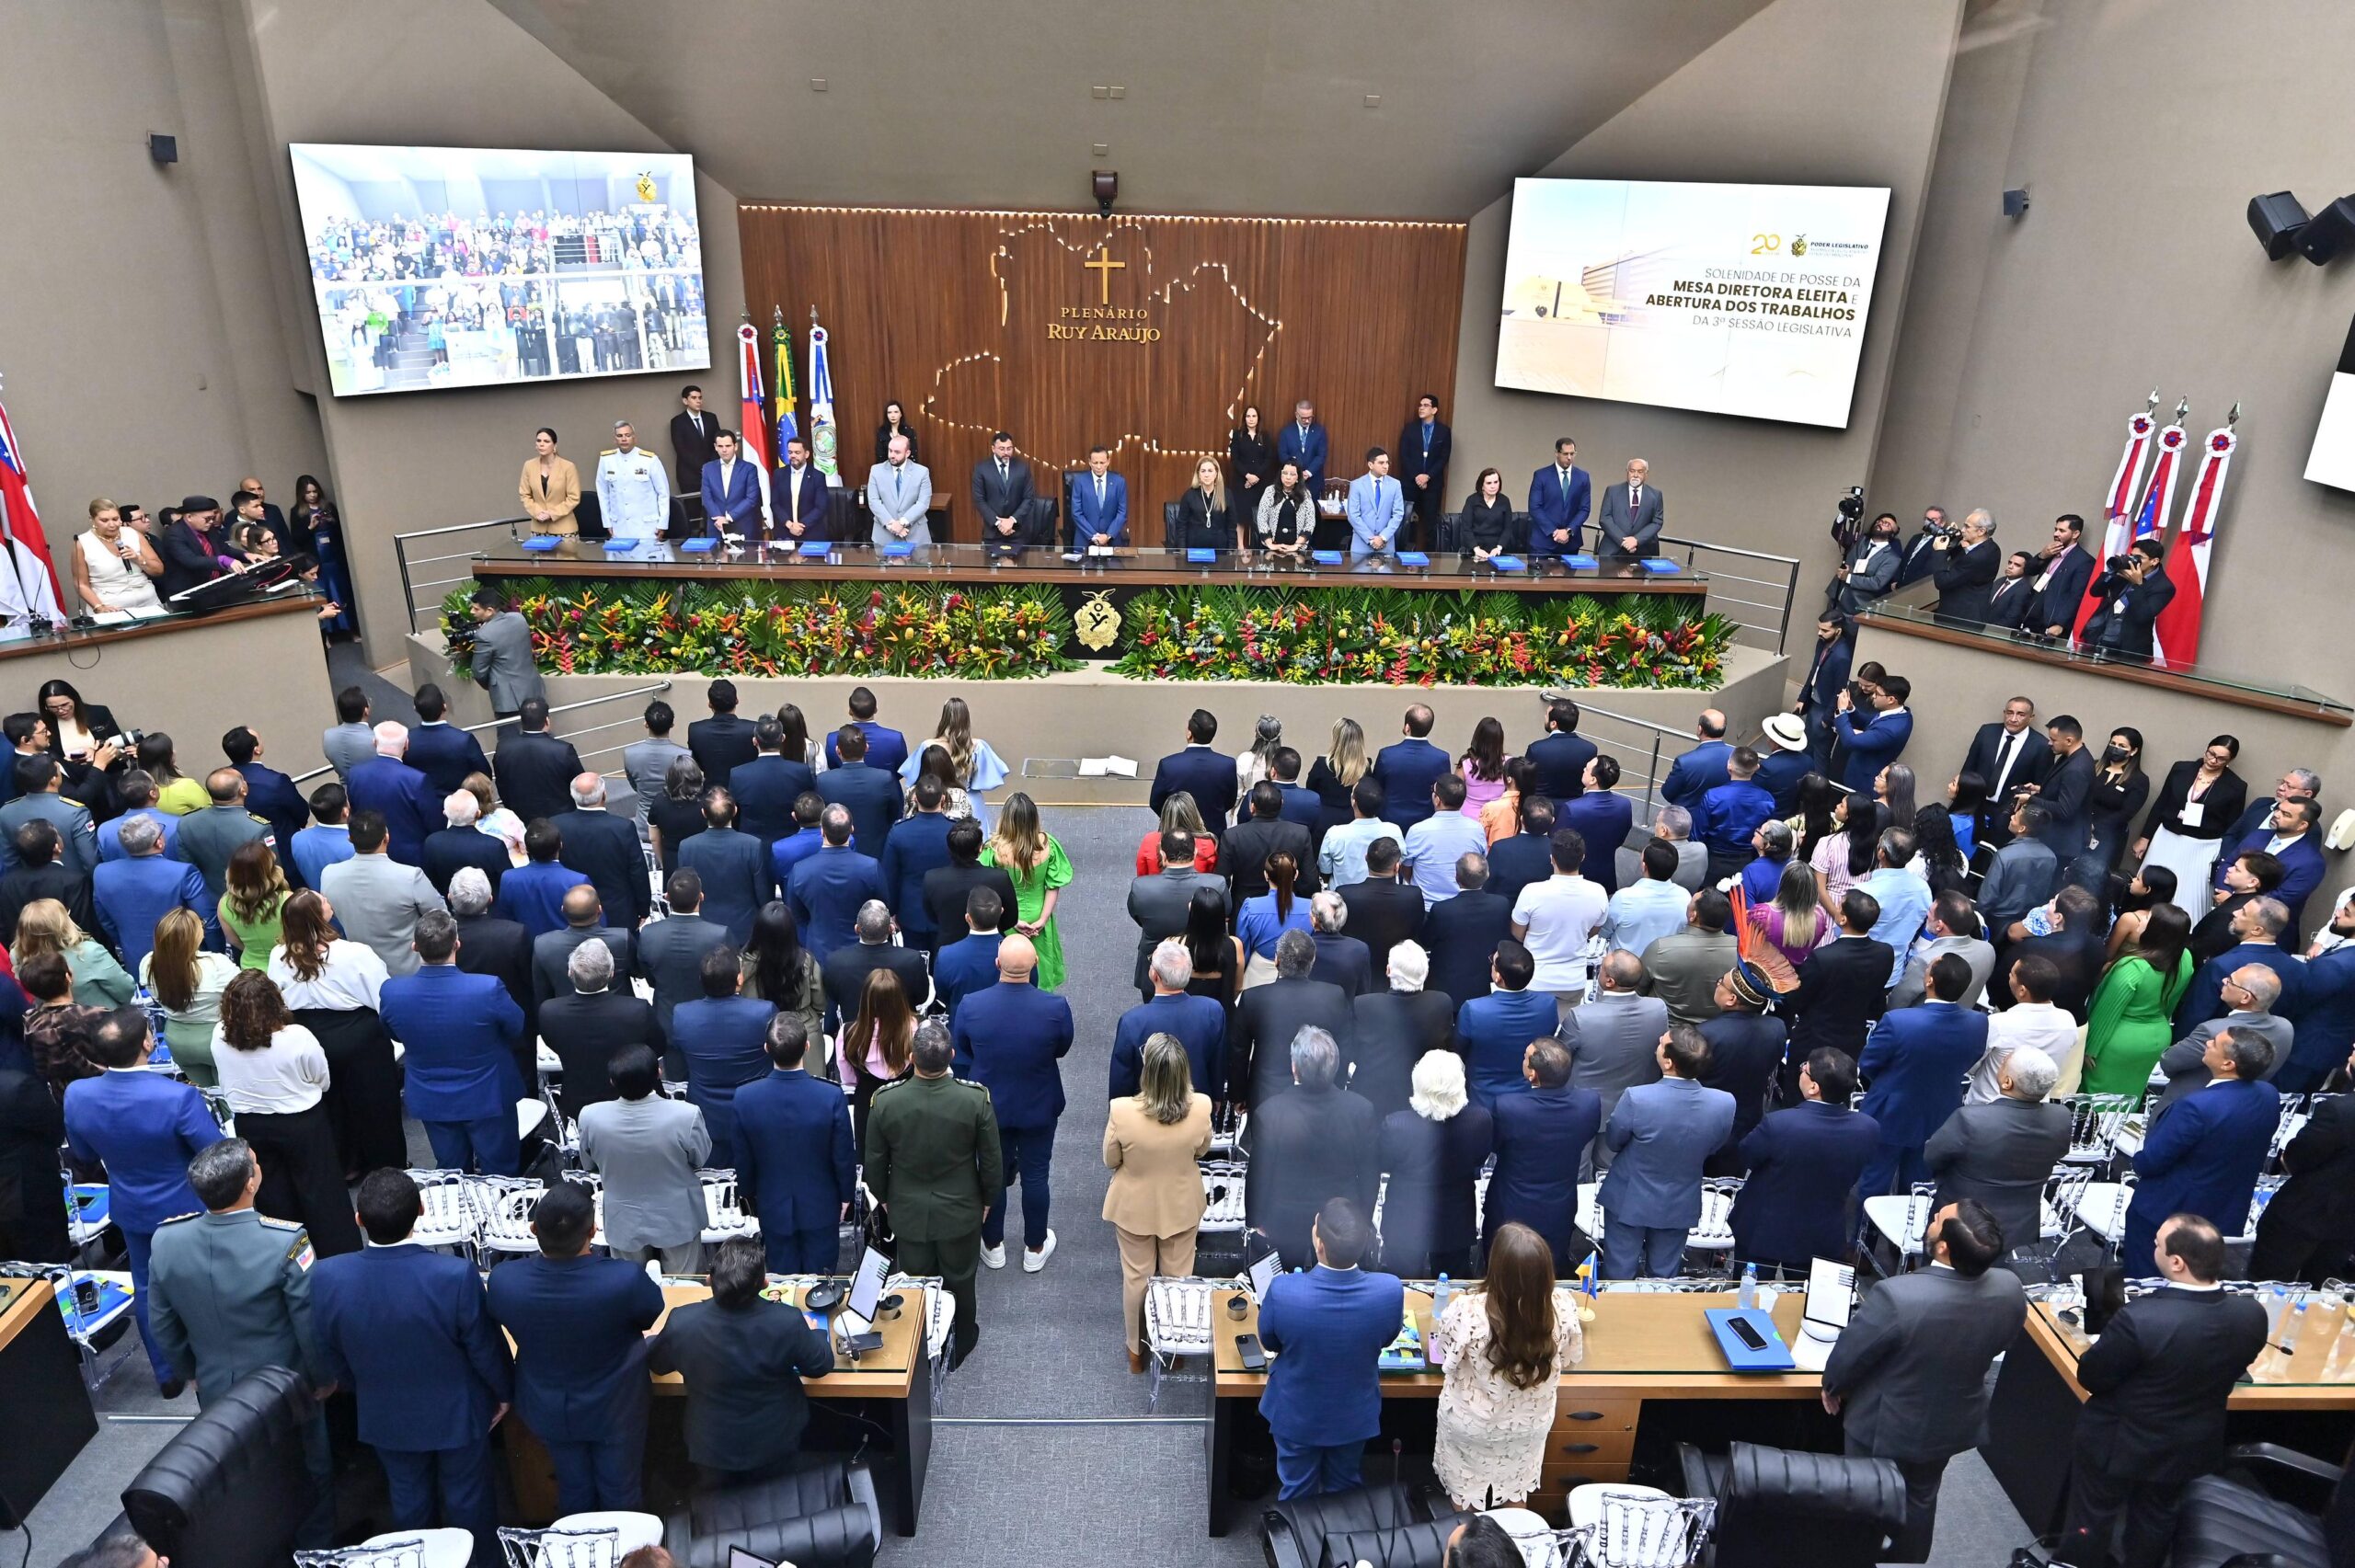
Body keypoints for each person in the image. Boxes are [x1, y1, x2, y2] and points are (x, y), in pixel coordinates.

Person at [311, 1170, 511, 1556]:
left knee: (408, 1505)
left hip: (385, 1412)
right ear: (421, 1211)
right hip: (458, 1413)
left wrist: (364, 1387)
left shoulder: (327, 1277)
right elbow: (483, 1348)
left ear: (359, 1220)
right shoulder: (454, 1275)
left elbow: (329, 1350)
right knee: (469, 1505)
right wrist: (503, 1392)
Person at [145, 1139, 332, 1544]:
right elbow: (308, 1322)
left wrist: (191, 1371)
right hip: (284, 1388)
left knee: (243, 1480)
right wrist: (323, 1378)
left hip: (215, 1387)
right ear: (251, 1183)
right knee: (310, 1470)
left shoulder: (166, 1240)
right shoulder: (286, 1241)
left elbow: (161, 1322)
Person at [1820, 1199, 2027, 1563]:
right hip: (1951, 1421)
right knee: (1922, 1495)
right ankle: (1908, 1559)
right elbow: (2003, 1341)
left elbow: (1852, 1354)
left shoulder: (1899, 1296)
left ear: (1943, 1247)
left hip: (1884, 1425)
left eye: (1938, 1219)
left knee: (1863, 1499)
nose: (1931, 1219)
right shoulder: (2010, 1288)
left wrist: (1832, 1384)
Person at [2061, 1213, 2271, 1568]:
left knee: (2091, 1519)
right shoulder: (2252, 1314)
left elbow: (2093, 1377)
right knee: (2157, 1518)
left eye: (2157, 1244)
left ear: (2176, 1262)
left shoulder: (2141, 1318)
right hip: (2189, 1443)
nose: (2151, 1247)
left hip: (2117, 1442)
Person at [62, 1009, 220, 1393]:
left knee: (149, 1291)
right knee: (207, 1286)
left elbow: (81, 1154)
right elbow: (215, 1153)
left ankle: (167, 1375)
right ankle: (214, 1366)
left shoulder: (77, 1094)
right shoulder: (178, 1097)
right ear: (148, 1043)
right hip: (189, 1209)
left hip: (132, 1208)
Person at [484, 1181, 665, 1515]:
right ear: (593, 1231)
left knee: (573, 1489)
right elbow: (651, 1312)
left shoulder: (504, 1281)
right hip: (616, 1406)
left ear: (534, 1228)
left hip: (548, 1406)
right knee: (620, 1490)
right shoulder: (623, 1279)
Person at [648, 1236, 837, 1489]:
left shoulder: (683, 1322)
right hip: (775, 1441)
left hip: (711, 1446)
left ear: (710, 1280)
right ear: (765, 1283)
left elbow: (658, 1365)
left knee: (719, 1518)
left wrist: (651, 1341)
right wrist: (815, 1332)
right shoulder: (787, 1321)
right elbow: (820, 1365)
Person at [867, 1022, 1001, 1367]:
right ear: (952, 1056)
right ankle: (961, 1342)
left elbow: (875, 1164)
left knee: (914, 1285)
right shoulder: (974, 1099)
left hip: (907, 1211)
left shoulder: (885, 1102)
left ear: (911, 1058)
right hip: (961, 1210)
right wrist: (987, 1200)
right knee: (960, 1279)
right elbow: (991, 1162)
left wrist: (884, 1198)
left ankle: (920, 1347)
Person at [1257, 1197, 1401, 1499]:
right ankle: (1340, 1544)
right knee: (1344, 1489)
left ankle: (1298, 1544)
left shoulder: (1284, 1291)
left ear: (1318, 1244)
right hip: (1354, 1415)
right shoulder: (1389, 1291)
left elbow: (1269, 1342)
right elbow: (1386, 1339)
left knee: (1296, 1489)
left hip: (1297, 1414)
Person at [1431, 1219, 1580, 1511]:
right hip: (1530, 1425)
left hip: (1473, 1425)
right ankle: (1515, 1553)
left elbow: (1444, 1357)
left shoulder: (1467, 1311)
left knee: (1467, 1501)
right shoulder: (1562, 1306)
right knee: (1516, 1497)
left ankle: (1469, 1557)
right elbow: (1570, 1359)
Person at [211, 970, 361, 1254]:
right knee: (322, 1192)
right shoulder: (296, 1037)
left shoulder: (219, 1036)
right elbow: (321, 1078)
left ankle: (289, 1255)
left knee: (272, 1197)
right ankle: (338, 1255)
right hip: (302, 1123)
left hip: (251, 1124)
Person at [952, 933, 1074, 1269]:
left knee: (992, 1174)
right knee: (1036, 1176)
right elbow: (1061, 1048)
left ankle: (993, 1245)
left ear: (997, 965)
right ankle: (1035, 1248)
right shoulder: (1056, 1007)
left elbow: (964, 1046)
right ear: (1035, 964)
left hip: (990, 1107)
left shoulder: (972, 1005)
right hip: (1039, 1105)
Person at [2120, 1028, 2280, 1265]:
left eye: (2215, 1043)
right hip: (2223, 1208)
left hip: (2169, 1212)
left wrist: (2138, 1159)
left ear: (2227, 1064)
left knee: (2146, 1278)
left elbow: (2150, 1161)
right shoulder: (2269, 1094)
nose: (2207, 1043)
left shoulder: (2195, 1107)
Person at [1102, 1032, 1213, 1371]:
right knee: (1178, 1280)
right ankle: (1174, 1348)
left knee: (1137, 1279)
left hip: (1134, 1207)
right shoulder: (1202, 1106)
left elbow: (1110, 1159)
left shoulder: (1121, 1111)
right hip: (1181, 1205)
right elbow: (1203, 1149)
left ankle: (1137, 1352)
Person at [1596, 1025, 1733, 1277]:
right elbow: (1714, 1146)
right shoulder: (1724, 1103)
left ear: (1668, 1062)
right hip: (1679, 1200)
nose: (1657, 1043)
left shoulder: (1638, 1098)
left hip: (1629, 1197)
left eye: (1661, 1043)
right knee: (1664, 1276)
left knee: (1619, 1271)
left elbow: (1614, 1141)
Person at [1728, 1048, 1877, 1274]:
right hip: (1821, 1233)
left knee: (1749, 1298)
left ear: (1814, 1087)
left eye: (1804, 1069)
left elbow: (1748, 1155)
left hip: (1763, 1228)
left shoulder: (1779, 1124)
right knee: (1803, 1301)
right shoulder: (1868, 1128)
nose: (1801, 1072)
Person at [1244, 1026, 1381, 1269]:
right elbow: (1370, 1174)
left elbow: (1259, 1174)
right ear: (1335, 1066)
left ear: (1294, 1068)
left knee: (1286, 1280)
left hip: (1285, 1219)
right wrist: (1363, 1219)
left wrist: (1256, 1219)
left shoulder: (1270, 1113)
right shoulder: (1361, 1111)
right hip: (1340, 1221)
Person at [1856, 954, 1990, 1199]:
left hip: (1890, 1110)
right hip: (1940, 1112)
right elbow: (1970, 1059)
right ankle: (1909, 1237)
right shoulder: (1979, 1022)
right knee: (1918, 1188)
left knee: (1874, 1183)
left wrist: (1892, 1081)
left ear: (1929, 981)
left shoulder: (1898, 1020)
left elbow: (1869, 1063)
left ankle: (1865, 1236)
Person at [734, 1017, 856, 1275]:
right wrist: (846, 1195)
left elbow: (743, 1158)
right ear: (808, 1047)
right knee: (823, 1285)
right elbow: (843, 1155)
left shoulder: (746, 1098)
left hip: (772, 1204)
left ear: (767, 1049)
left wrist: (749, 1195)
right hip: (821, 1205)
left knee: (782, 1285)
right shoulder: (830, 1096)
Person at [580, 1041, 712, 1272]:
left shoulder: (591, 1117)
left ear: (612, 1081)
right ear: (658, 1073)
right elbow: (699, 1159)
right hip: (678, 1216)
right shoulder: (686, 1115)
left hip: (623, 1218)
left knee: (628, 1287)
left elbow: (589, 1164)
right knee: (684, 1285)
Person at [1487, 1038, 1602, 1268]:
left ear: (1533, 1075)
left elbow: (1495, 1145)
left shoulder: (1507, 1106)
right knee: (1549, 1267)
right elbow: (1586, 1136)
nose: (1523, 1060)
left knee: (1502, 1267)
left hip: (1510, 1203)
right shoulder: (1589, 1103)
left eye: (1525, 1058)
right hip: (1559, 1206)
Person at [2249, 1044, 2355, 1282]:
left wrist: (2282, 1161)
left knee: (2267, 1283)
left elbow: (2296, 1159)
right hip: (2347, 1224)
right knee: (2324, 1288)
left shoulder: (2339, 1111)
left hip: (2303, 1215)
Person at [2082, 903, 2196, 1095]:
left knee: (2099, 1097)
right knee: (2131, 1094)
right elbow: (2170, 1003)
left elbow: (2107, 1011)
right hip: (2157, 1036)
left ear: (2156, 931)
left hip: (2119, 1041)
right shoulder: (2184, 957)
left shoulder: (2133, 967)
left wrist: (2090, 1048)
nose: (2141, 920)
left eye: (2147, 919)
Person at [320, 810, 445, 977]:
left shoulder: (329, 875)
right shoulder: (410, 877)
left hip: (363, 972)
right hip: (410, 971)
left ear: (350, 839)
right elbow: (440, 915)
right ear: (386, 838)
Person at [1783, 890, 1895, 1065]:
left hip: (1813, 1042)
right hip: (1852, 1041)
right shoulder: (1885, 953)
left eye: (1839, 907)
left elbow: (1796, 1000)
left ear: (1843, 919)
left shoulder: (1822, 958)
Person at [1696, 963, 1786, 1173]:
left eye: (1721, 983)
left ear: (1732, 999)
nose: (1717, 985)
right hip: (1750, 1116)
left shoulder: (1705, 1034)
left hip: (1710, 1120)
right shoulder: (1776, 1028)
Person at [1349, 940, 1450, 1121]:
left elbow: (1353, 1051)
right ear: (1425, 973)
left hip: (1372, 1098)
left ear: (1388, 971)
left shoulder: (1364, 1005)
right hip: (1423, 1100)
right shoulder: (1441, 1003)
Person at [1510, 828, 1605, 1013]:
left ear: (1552, 858)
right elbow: (1593, 931)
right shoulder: (1599, 892)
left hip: (1535, 978)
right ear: (1583, 857)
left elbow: (1517, 932)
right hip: (1573, 980)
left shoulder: (1532, 892)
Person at [1113, 943, 1226, 1099]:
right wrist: (1216, 1098)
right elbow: (1218, 1062)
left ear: (1154, 975)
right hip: (1196, 1102)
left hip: (1147, 1107)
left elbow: (1122, 1077)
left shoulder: (1132, 1021)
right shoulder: (1212, 1010)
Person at [983, 792, 1073, 989]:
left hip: (1007, 920)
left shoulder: (994, 851)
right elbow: (1053, 886)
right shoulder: (1047, 845)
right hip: (1038, 921)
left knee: (1009, 972)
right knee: (1041, 977)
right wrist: (1042, 919)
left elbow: (986, 889)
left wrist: (1013, 921)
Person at [1455, 938, 1558, 1106]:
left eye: (1493, 962)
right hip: (1529, 1097)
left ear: (1498, 977)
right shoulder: (1548, 1004)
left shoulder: (1473, 1010)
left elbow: (1459, 1050)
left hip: (1482, 1098)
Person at [554, 773, 650, 930]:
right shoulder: (622, 828)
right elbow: (637, 870)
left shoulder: (557, 825)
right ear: (604, 795)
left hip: (574, 910)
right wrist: (643, 907)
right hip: (618, 912)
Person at [1638, 889, 1740, 1029]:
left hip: (1668, 1032)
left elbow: (1638, 990)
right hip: (1718, 1030)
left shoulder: (1660, 949)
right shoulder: (1741, 951)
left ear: (1693, 916)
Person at [1423, 853, 1514, 1009]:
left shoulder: (1442, 910)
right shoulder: (1501, 905)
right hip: (1486, 985)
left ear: (1456, 877)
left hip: (1449, 987)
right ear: (1487, 875)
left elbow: (1426, 940)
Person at [840, 967, 916, 1151]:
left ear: (866, 1000)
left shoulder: (848, 1033)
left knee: (868, 1156)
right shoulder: (914, 1030)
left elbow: (848, 1079)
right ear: (899, 1000)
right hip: (907, 1104)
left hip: (866, 1103)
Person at [685, 789, 775, 944]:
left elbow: (687, 892)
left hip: (704, 931)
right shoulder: (752, 845)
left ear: (703, 813)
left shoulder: (687, 847)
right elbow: (763, 893)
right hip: (745, 930)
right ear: (735, 811)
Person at [1338, 837, 1424, 979]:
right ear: (1397, 867)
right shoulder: (1412, 896)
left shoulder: (1345, 894)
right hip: (1399, 972)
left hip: (1357, 971)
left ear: (1366, 858)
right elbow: (1417, 931)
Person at [2081, 537, 2176, 662]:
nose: (2133, 561)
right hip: (2098, 638)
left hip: (2129, 648)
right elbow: (2095, 592)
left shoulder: (2164, 586)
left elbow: (2143, 615)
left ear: (2154, 561)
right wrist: (2111, 572)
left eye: (2139, 558)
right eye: (2131, 556)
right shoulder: (2125, 572)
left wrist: (2138, 585)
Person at [489, 698, 581, 823]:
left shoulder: (503, 749)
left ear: (522, 722)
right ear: (547, 721)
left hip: (522, 819)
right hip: (561, 820)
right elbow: (579, 784)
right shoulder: (563, 750)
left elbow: (502, 785)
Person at [465, 589, 548, 726]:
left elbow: (478, 671)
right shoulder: (519, 619)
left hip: (507, 700)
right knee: (539, 730)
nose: (472, 612)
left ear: (490, 610)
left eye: (476, 609)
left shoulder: (484, 635)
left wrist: (494, 685)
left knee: (511, 739)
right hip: (533, 688)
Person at [815, 724, 899, 858]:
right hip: (877, 852)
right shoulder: (885, 779)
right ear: (866, 748)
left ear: (838, 750)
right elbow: (896, 814)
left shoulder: (823, 781)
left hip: (837, 854)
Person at [1980, 799, 2060, 936]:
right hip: (2026, 922)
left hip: (1997, 921)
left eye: (2015, 817)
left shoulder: (2004, 856)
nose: (2011, 817)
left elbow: (1986, 898)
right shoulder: (2051, 857)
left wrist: (1977, 920)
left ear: (2022, 828)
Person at [73, 498, 167, 613]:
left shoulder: (133, 533)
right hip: (111, 607)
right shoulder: (82, 543)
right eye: (104, 520)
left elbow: (159, 570)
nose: (112, 524)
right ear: (92, 520)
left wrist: (138, 559)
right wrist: (99, 607)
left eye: (115, 519)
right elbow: (81, 584)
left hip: (148, 603)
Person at [1694, 748, 1775, 882]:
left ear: (1729, 766)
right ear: (1757, 768)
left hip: (1712, 861)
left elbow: (1698, 835)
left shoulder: (1712, 796)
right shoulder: (1767, 799)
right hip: (1748, 862)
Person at [1374, 706, 1453, 834]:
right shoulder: (1441, 758)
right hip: (1426, 824)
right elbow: (1443, 792)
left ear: (1407, 727)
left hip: (1390, 823)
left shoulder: (1387, 755)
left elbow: (1377, 788)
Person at [153, 495, 247, 599]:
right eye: (207, 519)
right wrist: (222, 560)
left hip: (215, 587)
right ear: (189, 517)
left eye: (212, 518)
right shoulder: (174, 534)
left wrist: (246, 555)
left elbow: (224, 549)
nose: (211, 522)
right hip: (189, 592)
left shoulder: (208, 528)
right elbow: (191, 561)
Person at [423, 789, 511, 898]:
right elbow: (508, 882)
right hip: (490, 906)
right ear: (478, 813)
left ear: (445, 814)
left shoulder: (432, 843)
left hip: (450, 905)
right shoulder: (494, 846)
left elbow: (431, 880)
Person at [214, 839, 289, 968]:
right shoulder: (288, 900)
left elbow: (234, 941)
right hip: (286, 968)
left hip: (251, 971)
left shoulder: (224, 904)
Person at [595, 420, 672, 543]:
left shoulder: (650, 459)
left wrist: (662, 524)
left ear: (634, 438)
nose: (624, 439)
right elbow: (603, 493)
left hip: (647, 527)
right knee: (621, 560)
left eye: (627, 435)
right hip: (619, 526)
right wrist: (607, 523)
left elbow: (663, 493)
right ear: (615, 439)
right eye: (619, 436)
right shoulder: (607, 460)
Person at [622, 702, 690, 841]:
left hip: (643, 823)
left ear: (646, 724)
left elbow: (634, 784)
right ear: (672, 725)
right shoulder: (685, 755)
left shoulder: (629, 754)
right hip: (674, 823)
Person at [971, 429, 1041, 550]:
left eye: (1009, 449)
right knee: (992, 567)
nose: (1006, 453)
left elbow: (1028, 498)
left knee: (1018, 568)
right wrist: (999, 523)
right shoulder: (981, 468)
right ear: (993, 449)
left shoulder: (1022, 468)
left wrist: (1012, 520)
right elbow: (979, 499)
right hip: (992, 531)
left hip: (1017, 531)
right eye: (1002, 449)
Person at [867, 431, 935, 545]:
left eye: (897, 452)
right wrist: (891, 524)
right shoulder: (876, 471)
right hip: (884, 537)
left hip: (915, 536)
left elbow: (923, 503)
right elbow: (873, 501)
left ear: (907, 453)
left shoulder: (922, 472)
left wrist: (902, 523)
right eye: (890, 451)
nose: (892, 455)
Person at [697, 428, 765, 539]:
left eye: (728, 446)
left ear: (736, 446)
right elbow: (706, 498)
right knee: (717, 556)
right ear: (715, 447)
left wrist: (728, 517)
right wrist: (719, 518)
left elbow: (751, 499)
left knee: (746, 556)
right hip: (716, 526)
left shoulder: (749, 469)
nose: (724, 450)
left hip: (742, 525)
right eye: (720, 446)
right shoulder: (707, 468)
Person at [686, 680, 757, 787]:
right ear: (737, 700)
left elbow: (698, 764)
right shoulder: (753, 729)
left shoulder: (695, 730)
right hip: (743, 793)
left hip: (710, 795)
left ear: (710, 704)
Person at [1659, 712, 1732, 810]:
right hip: (1722, 815)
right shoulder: (1736, 756)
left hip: (1689, 819)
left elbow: (1667, 793)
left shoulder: (1684, 762)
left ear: (1700, 729)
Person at [519, 426, 582, 535]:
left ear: (554, 445)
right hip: (538, 528)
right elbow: (524, 494)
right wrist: (537, 512)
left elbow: (574, 497)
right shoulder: (528, 465)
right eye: (539, 441)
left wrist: (551, 513)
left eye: (546, 441)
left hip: (564, 529)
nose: (541, 444)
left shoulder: (568, 466)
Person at [1344, 446, 1402, 558]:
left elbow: (1398, 514)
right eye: (1381, 463)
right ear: (1370, 465)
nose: (1386, 466)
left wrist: (1383, 538)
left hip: (1386, 546)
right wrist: (1371, 540)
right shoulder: (1357, 485)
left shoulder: (1395, 485)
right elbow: (1353, 516)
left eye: (1387, 462)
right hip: (1361, 546)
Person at [1068, 443, 1129, 547]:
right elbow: (1076, 512)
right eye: (1095, 463)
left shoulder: (1119, 482)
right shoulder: (1079, 481)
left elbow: (1122, 512)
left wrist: (1108, 535)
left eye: (1102, 462)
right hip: (1084, 539)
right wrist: (1094, 536)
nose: (1099, 466)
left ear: (1108, 462)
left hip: (1112, 540)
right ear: (1089, 463)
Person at [1256, 459, 1315, 560]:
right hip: (1272, 548)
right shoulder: (1270, 491)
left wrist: (1296, 546)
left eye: (1292, 474)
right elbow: (1262, 518)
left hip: (1297, 549)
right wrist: (1271, 544)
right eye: (1285, 473)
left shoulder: (1305, 494)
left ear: (1297, 478)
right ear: (1280, 475)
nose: (1288, 477)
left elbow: (1310, 522)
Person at [1456, 466, 1515, 561]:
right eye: (1489, 483)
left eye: (1496, 482)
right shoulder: (1472, 500)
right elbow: (1466, 528)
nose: (1493, 486)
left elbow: (1507, 528)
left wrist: (1499, 548)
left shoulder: (1504, 501)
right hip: (1474, 550)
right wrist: (1476, 549)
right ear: (1482, 485)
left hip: (1498, 550)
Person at [1277, 398, 1328, 491]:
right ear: (1297, 415)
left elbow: (1321, 455)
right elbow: (1283, 455)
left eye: (1310, 417)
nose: (1307, 421)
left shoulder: (1319, 431)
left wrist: (1308, 472)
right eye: (1304, 418)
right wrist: (1296, 473)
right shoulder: (1286, 432)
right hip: (1291, 482)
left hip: (1313, 482)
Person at [874, 398, 918, 464]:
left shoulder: (909, 431)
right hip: (887, 467)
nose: (893, 415)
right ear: (886, 415)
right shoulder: (882, 431)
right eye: (889, 412)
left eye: (896, 412)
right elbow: (880, 455)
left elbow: (913, 454)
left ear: (901, 414)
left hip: (906, 467)